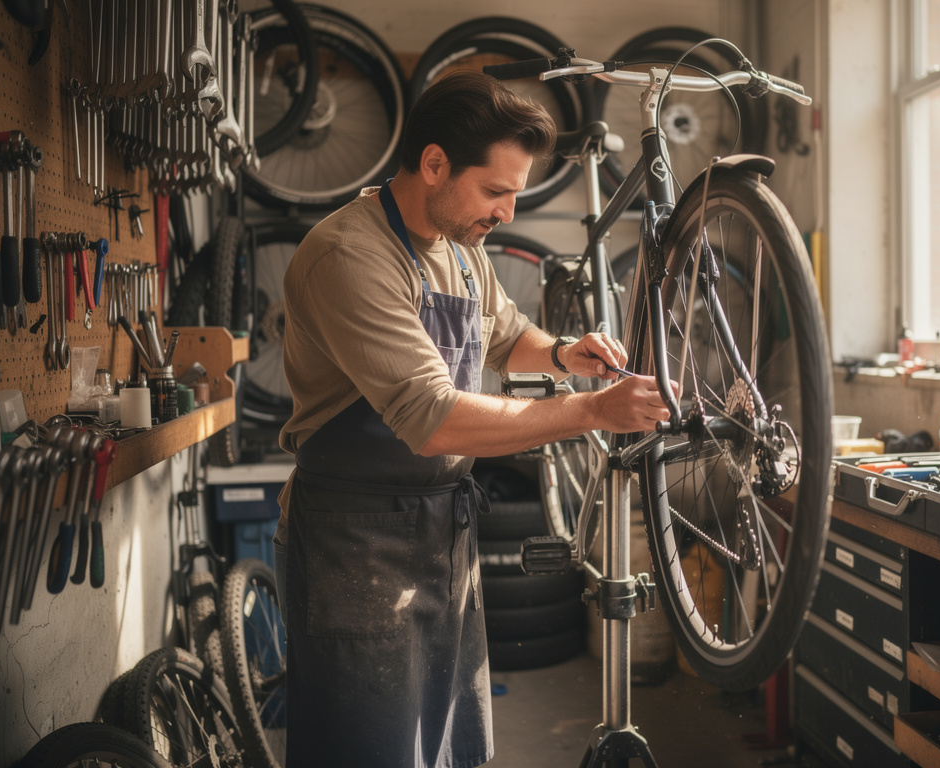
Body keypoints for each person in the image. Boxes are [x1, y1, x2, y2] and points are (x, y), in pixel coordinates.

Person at [272, 70, 673, 768]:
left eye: (515, 193)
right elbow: (432, 419)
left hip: (439, 531)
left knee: (442, 745)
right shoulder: (351, 256)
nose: (508, 212)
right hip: (355, 542)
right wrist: (590, 411)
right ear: (434, 164)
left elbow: (500, 331)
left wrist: (560, 354)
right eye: (496, 191)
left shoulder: (459, 247)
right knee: (368, 750)